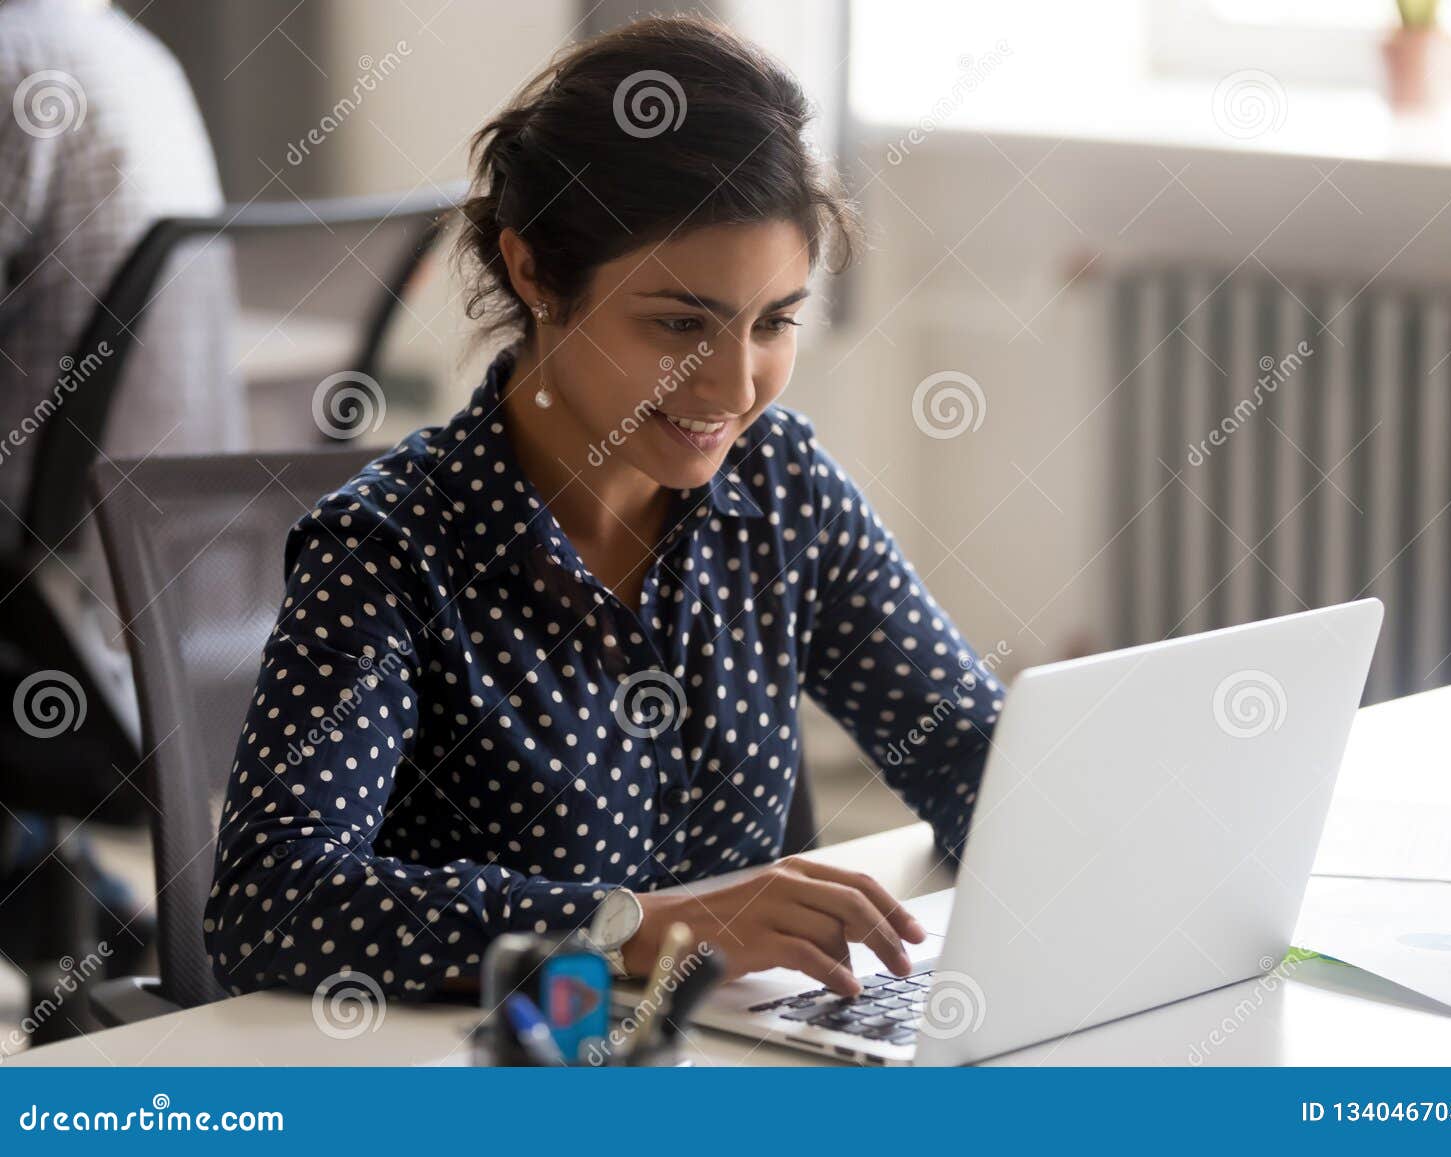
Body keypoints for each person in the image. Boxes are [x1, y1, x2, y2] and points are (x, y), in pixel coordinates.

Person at [204, 14, 1003, 1002]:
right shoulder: (391, 549)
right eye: (678, 323)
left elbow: (973, 758)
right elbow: (269, 902)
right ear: (536, 272)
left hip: (737, 1064)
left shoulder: (780, 485)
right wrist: (624, 926)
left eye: (774, 322)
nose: (734, 383)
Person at [0, 0, 241, 976]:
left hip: (57, 632)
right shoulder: (137, 57)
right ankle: (87, 928)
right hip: (184, 625)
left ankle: (79, 926)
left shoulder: (16, 62)